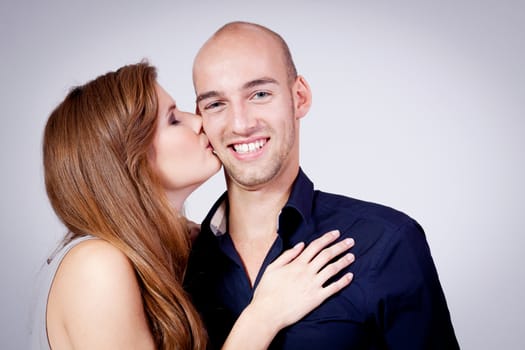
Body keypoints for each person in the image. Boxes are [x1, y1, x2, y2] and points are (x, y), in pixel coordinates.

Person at [31, 62, 357, 350]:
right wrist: (264, 315)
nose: (198, 121)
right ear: (128, 161)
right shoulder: (95, 266)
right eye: (174, 119)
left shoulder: (190, 245)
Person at [184, 21, 460, 349]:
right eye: (216, 104)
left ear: (299, 97)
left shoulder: (388, 242)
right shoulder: (177, 263)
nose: (241, 124)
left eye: (260, 94)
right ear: (200, 116)